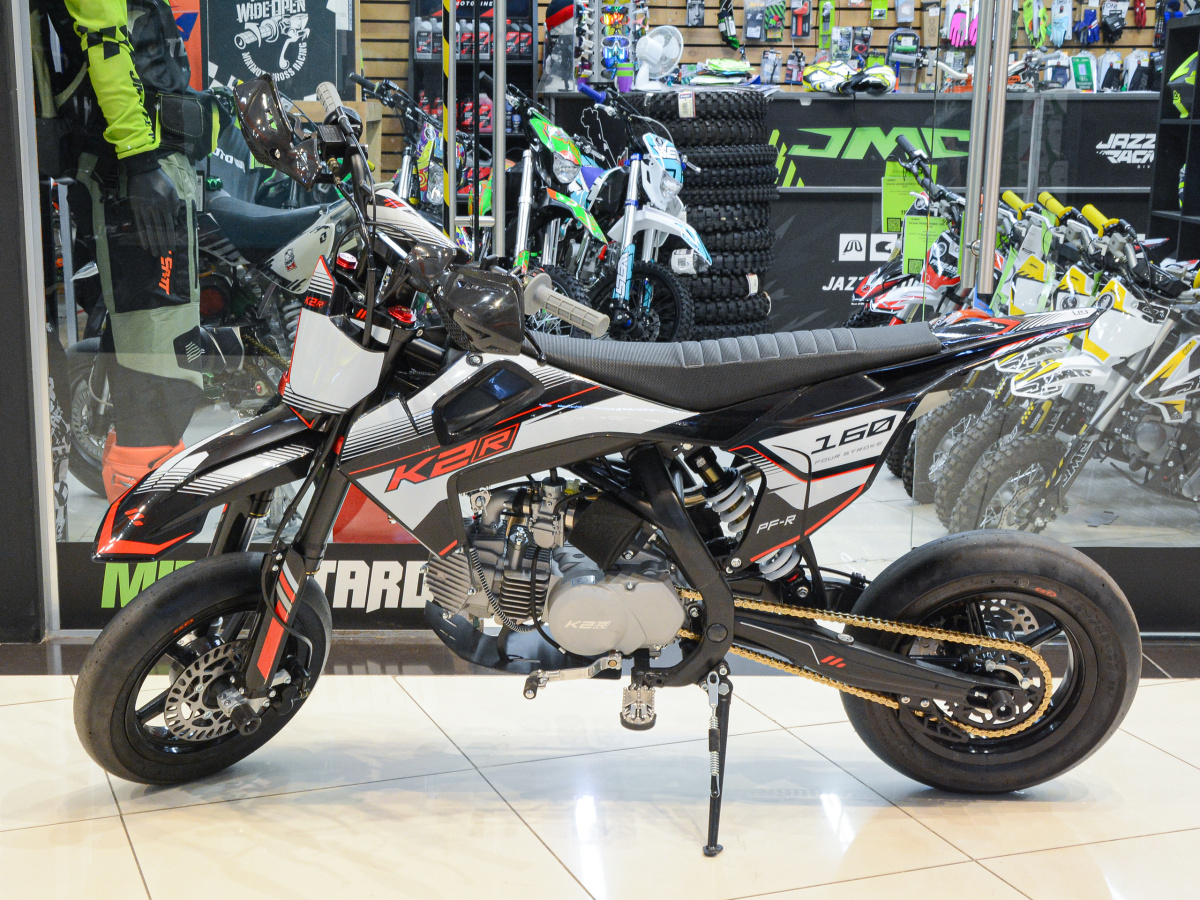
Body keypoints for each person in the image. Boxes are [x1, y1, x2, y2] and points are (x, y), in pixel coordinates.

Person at [32, 0, 213, 501]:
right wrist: (141, 159)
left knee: (156, 353)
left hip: (142, 166)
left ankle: (143, 494)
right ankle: (143, 507)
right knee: (160, 369)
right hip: (134, 170)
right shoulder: (139, 163)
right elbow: (104, 44)